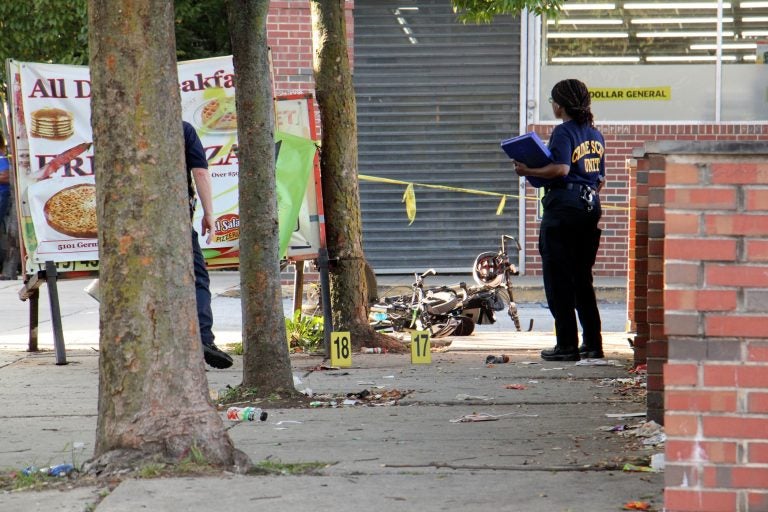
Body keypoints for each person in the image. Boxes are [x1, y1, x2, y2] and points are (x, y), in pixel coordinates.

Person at [512, 79, 605, 362]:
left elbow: (562, 168)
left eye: (553, 101)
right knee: (581, 280)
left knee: (558, 280)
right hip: (589, 208)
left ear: (559, 105)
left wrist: (527, 169)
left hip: (562, 210)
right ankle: (592, 343)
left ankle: (566, 344)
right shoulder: (595, 134)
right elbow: (599, 179)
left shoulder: (563, 132)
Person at [183, 120, 233, 369]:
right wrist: (209, 214)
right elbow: (200, 172)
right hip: (176, 221)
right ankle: (204, 339)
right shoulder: (183, 129)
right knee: (197, 279)